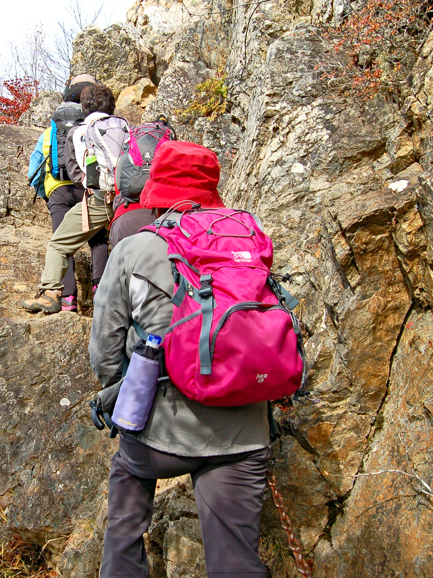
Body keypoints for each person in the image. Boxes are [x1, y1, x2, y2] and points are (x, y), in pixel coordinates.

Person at [89, 141, 271, 578]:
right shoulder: (247, 236)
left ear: (156, 187)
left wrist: (122, 396)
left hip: (158, 429)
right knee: (236, 563)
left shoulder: (134, 249)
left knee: (126, 511)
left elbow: (105, 351)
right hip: (243, 431)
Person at [21, 83, 124, 314]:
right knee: (101, 243)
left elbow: (74, 172)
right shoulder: (126, 127)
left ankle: (56, 295)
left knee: (59, 244)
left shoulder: (76, 132)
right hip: (128, 200)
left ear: (84, 108)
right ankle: (104, 294)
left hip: (92, 198)